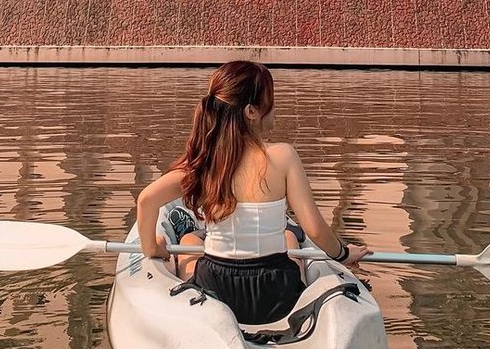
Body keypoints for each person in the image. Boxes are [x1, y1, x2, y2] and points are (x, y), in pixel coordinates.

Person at [136, 61, 370, 326]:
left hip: (217, 290)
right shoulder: (283, 156)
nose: (275, 107)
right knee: (289, 238)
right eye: (270, 99)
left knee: (189, 240)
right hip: (276, 294)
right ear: (251, 111)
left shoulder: (204, 164)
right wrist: (342, 254)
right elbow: (315, 230)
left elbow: (146, 201)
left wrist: (153, 248)